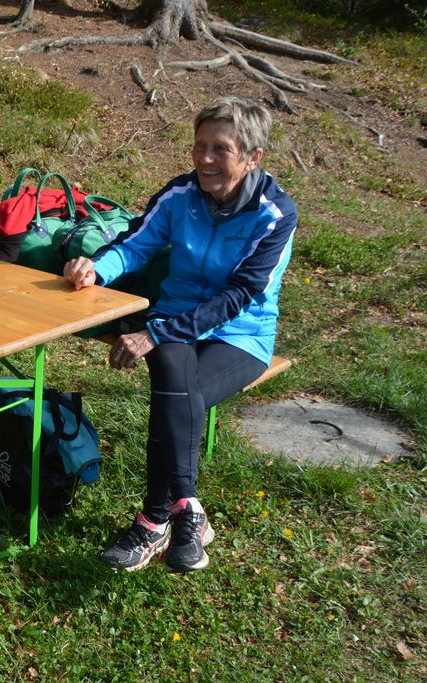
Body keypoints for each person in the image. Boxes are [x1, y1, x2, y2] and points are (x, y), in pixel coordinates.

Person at [64, 96, 297, 573]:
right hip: (174, 322)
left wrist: (156, 333)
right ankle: (187, 510)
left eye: (220, 149)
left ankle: (153, 520)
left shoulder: (275, 214)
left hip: (241, 335)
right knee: (176, 385)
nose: (205, 159)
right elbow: (135, 244)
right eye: (199, 145)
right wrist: (96, 269)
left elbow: (240, 295)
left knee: (176, 399)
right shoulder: (180, 194)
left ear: (253, 158)